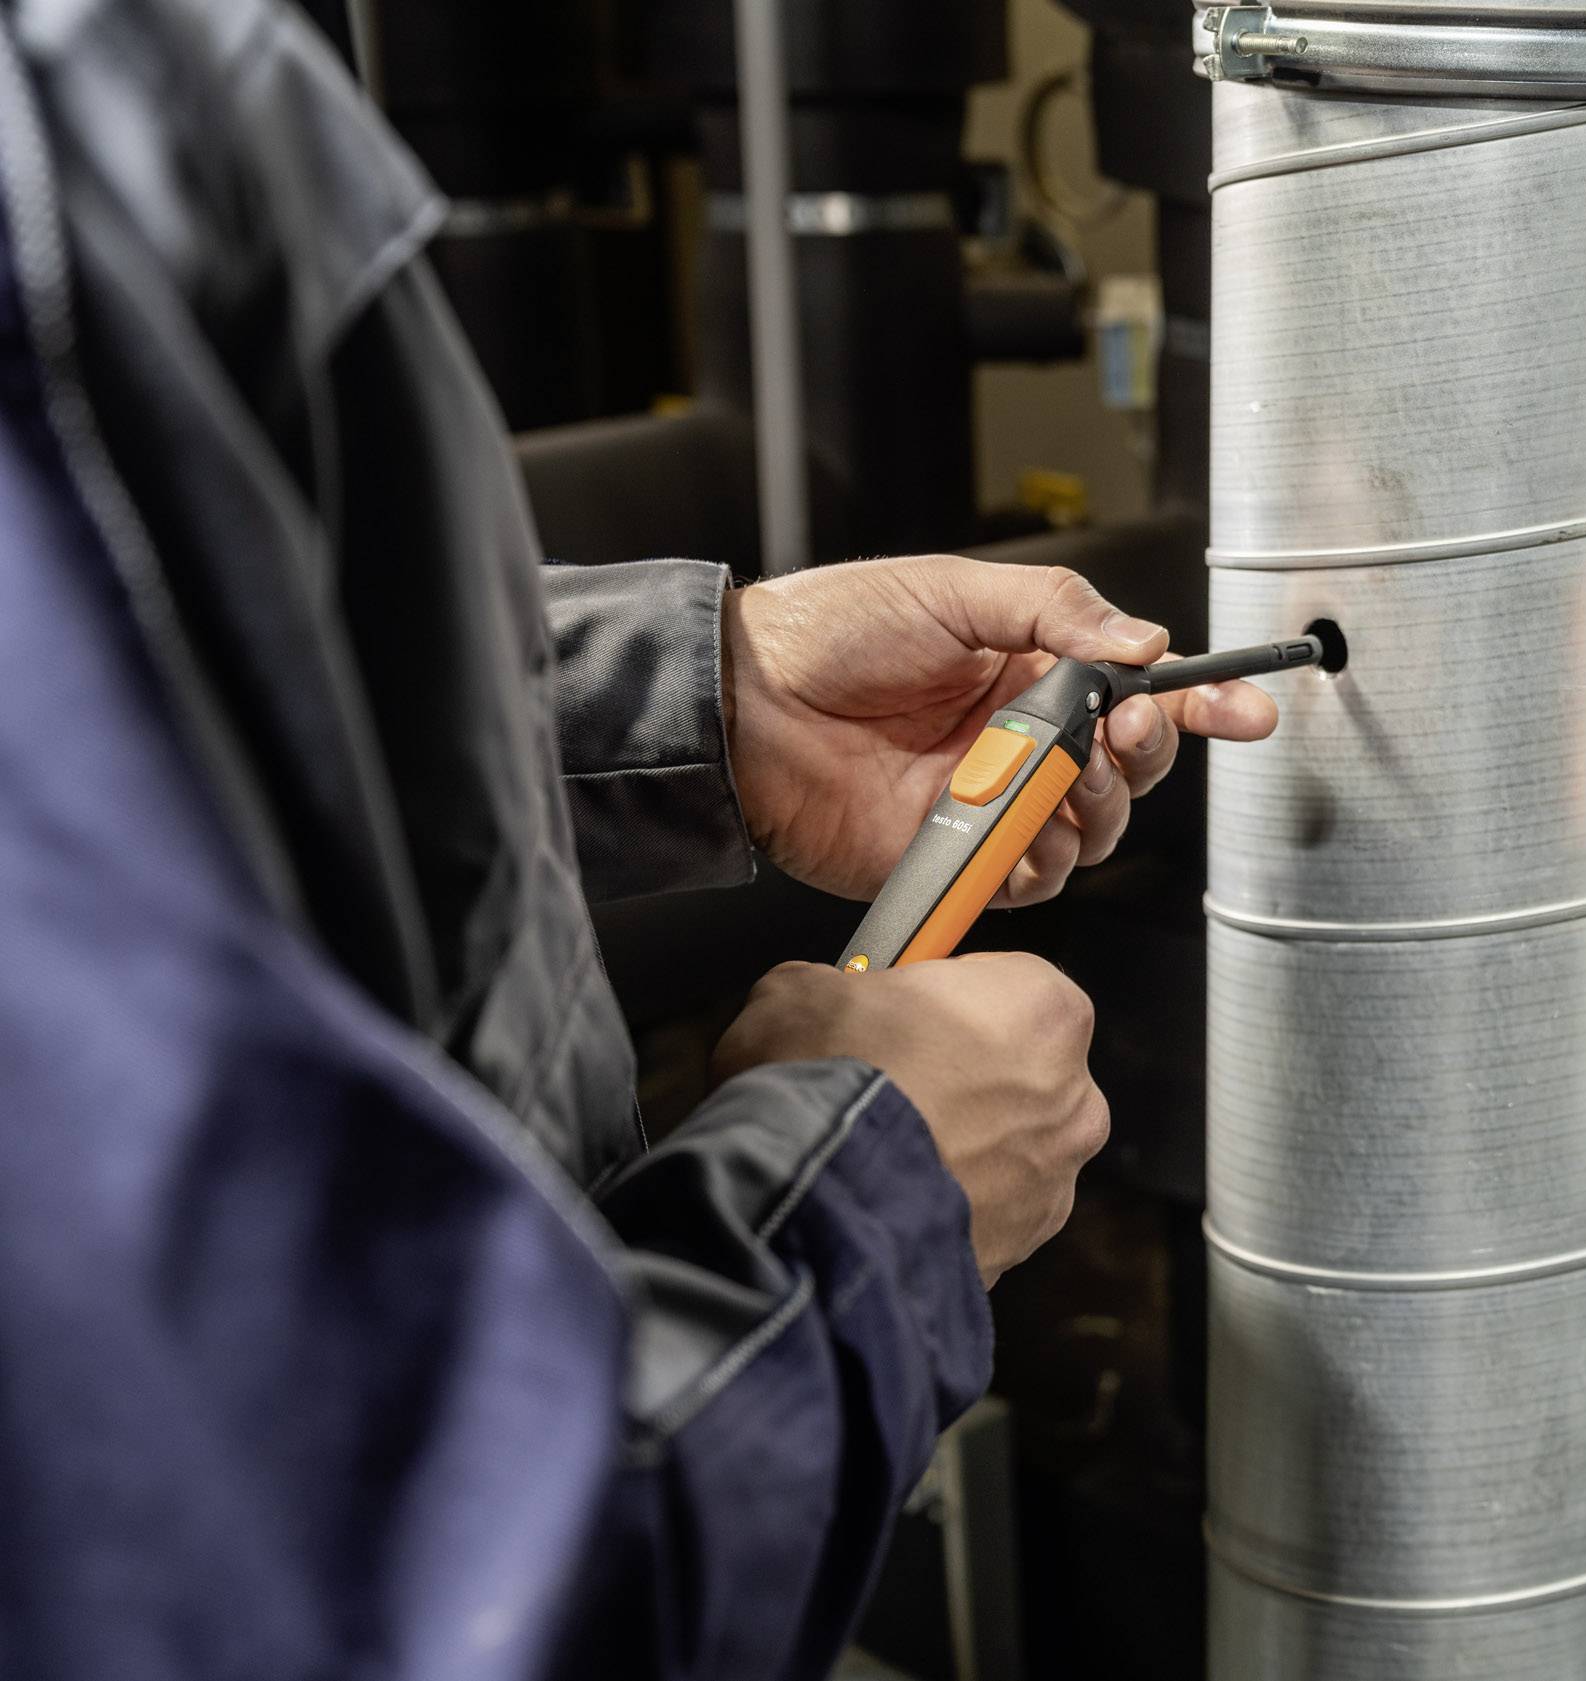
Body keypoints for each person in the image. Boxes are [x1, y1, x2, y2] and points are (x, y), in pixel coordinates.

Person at [0, 1, 1274, 1677]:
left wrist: (700, 699)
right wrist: (871, 1201)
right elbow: (380, 1584)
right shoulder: (89, 144)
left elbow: (219, 715)